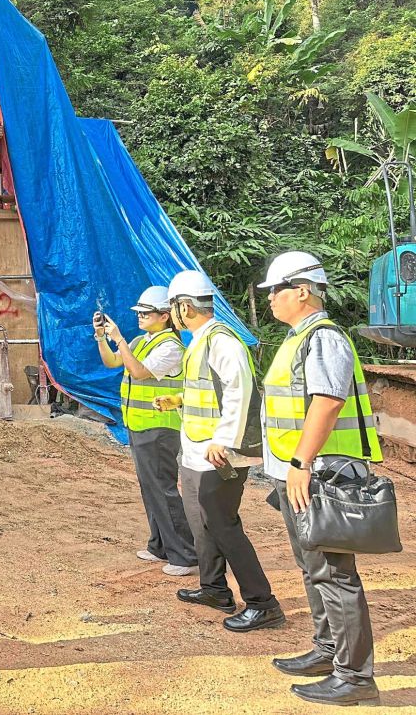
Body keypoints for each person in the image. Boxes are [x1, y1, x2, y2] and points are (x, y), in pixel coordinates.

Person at [257, 252, 383, 706]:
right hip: (298, 473)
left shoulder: (323, 338)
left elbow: (327, 403)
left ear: (303, 290)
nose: (270, 298)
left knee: (333, 573)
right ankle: (329, 651)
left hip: (320, 474)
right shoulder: (298, 338)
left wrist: (300, 463)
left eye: (276, 290)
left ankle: (355, 678)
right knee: (314, 569)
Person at [157, 270, 283, 632]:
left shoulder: (222, 341)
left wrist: (224, 440)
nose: (172, 314)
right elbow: (208, 390)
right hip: (200, 449)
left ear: (184, 306)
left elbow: (239, 391)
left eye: (173, 307)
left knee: (223, 524)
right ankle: (214, 589)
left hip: (220, 454)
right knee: (203, 521)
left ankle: (262, 602)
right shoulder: (200, 340)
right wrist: (179, 400)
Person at [95, 287, 196, 577]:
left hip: (160, 426)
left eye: (146, 313)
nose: (140, 317)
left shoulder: (170, 348)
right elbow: (112, 362)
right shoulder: (142, 341)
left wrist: (119, 340)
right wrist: (103, 337)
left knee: (163, 489)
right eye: (138, 312)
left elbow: (139, 372)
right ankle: (160, 545)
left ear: (165, 316)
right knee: (150, 488)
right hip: (140, 424)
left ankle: (185, 554)